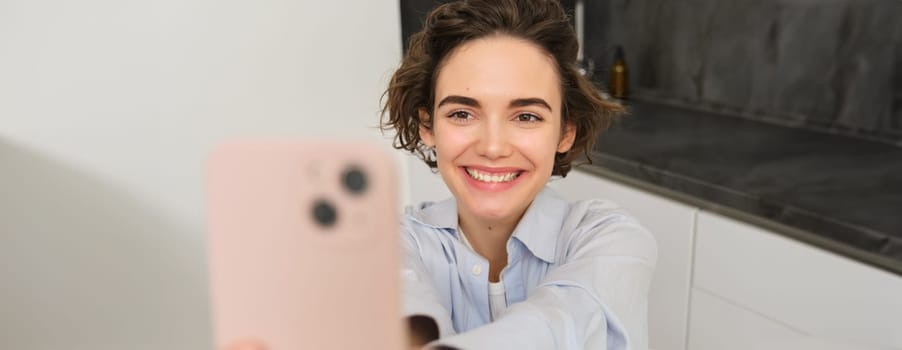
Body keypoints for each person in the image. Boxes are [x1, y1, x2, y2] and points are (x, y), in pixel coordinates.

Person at [381, 0, 658, 349]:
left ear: (564, 133)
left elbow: (564, 323)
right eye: (462, 114)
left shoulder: (611, 240)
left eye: (527, 116)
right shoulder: (392, 242)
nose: (493, 147)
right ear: (428, 125)